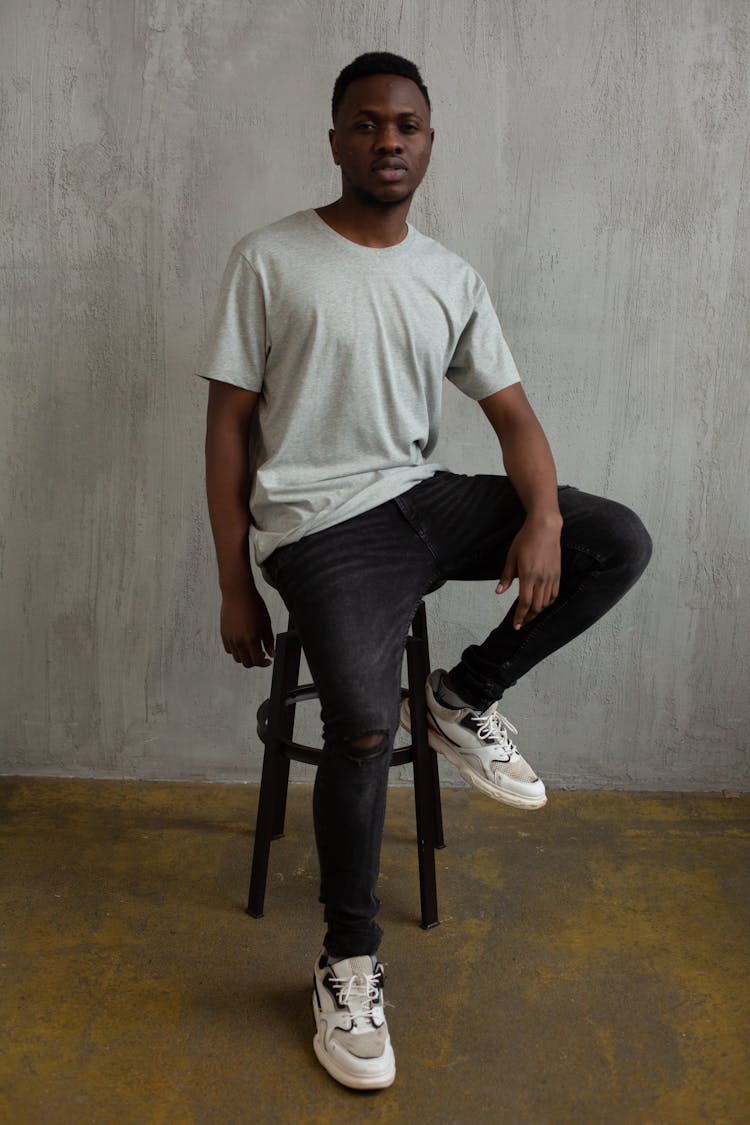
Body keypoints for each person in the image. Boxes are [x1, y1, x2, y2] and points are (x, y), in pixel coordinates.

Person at [199, 51, 652, 1091]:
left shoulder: (451, 277)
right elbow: (226, 430)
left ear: (429, 142)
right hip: (319, 529)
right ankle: (348, 960)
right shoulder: (268, 259)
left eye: (406, 126)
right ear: (336, 140)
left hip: (419, 500)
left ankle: (460, 696)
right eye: (366, 124)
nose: (388, 141)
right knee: (360, 722)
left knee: (613, 537)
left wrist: (538, 517)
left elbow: (516, 418)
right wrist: (235, 577)